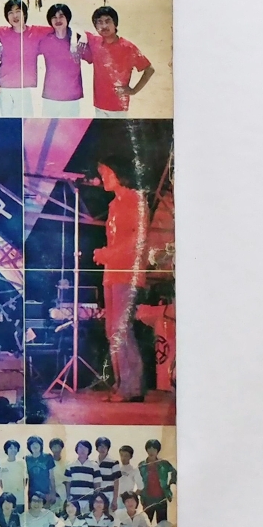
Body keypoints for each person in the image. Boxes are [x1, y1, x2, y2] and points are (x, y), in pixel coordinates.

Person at [93, 163, 149, 401]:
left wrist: (110, 253)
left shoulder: (136, 200)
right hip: (112, 273)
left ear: (120, 174)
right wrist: (104, 254)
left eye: (107, 173)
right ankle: (121, 383)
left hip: (128, 272)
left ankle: (132, 387)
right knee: (112, 330)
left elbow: (138, 238)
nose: (103, 177)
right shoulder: (114, 205)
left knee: (121, 329)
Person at [81, 6, 154, 117]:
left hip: (119, 106)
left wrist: (134, 90)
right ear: (95, 26)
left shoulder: (127, 47)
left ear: (115, 24)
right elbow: (79, 32)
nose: (104, 26)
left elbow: (149, 69)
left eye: (108, 21)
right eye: (99, 22)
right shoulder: (95, 42)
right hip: (99, 105)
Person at [0, 0, 49, 117]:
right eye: (10, 13)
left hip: (25, 88)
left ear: (25, 13)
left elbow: (61, 29)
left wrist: (78, 36)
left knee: (26, 124)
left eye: (18, 11)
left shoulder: (36, 32)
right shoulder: (0, 32)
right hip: (4, 88)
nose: (15, 16)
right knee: (8, 124)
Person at [36, 3, 85, 118]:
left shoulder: (79, 40)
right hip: (50, 97)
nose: (58, 20)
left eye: (61, 16)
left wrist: (83, 35)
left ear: (67, 18)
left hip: (72, 97)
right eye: (54, 17)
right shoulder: (45, 40)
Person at [139, 439, 176, 527]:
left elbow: (175, 473)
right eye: (149, 448)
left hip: (161, 500)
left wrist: (170, 485)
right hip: (147, 500)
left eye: (154, 449)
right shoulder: (142, 465)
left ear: (157, 450)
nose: (151, 451)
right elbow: (137, 479)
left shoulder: (164, 463)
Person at [64, 440, 100, 513]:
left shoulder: (94, 465)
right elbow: (68, 483)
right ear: (76, 449)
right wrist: (68, 497)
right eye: (80, 447)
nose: (82, 450)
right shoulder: (70, 465)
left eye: (85, 448)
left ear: (89, 450)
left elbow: (97, 484)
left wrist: (95, 499)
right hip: (74, 500)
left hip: (88, 500)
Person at [24, 436, 57, 510]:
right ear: (29, 446)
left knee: (45, 513)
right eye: (32, 444)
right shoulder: (26, 459)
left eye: (37, 443)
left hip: (45, 492)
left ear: (41, 445)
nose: (34, 446)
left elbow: (52, 477)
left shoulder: (48, 457)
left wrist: (53, 493)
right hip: (32, 493)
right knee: (33, 514)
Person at [95, 436, 121, 513]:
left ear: (108, 448)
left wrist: (115, 500)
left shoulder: (114, 462)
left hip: (109, 495)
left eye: (105, 446)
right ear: (97, 448)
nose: (102, 449)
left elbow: (116, 482)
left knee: (109, 516)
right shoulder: (94, 463)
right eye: (100, 446)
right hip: (97, 497)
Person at [0, 440, 27, 510]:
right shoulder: (2, 463)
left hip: (19, 497)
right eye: (10, 448)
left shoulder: (21, 462)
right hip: (7, 497)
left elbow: (25, 479)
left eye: (15, 448)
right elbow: (0, 481)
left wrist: (20, 490)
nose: (13, 450)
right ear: (6, 449)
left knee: (20, 514)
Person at [49, 437, 69, 514]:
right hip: (51, 494)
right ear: (51, 449)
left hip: (63, 493)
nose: (57, 449)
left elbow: (67, 482)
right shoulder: (48, 462)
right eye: (54, 447)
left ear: (62, 448)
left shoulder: (66, 463)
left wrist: (68, 497)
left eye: (58, 447)